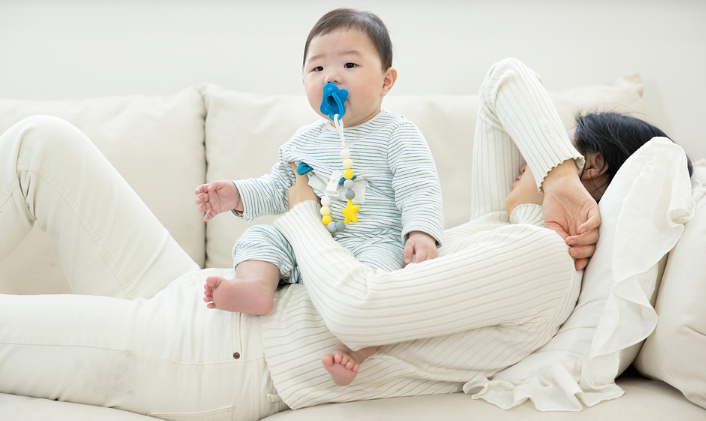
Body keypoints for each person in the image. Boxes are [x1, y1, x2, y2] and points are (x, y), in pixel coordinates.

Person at [2, 56, 684, 420]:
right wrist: (557, 176)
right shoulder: (512, 229)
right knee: (42, 143)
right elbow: (501, 82)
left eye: (565, 150)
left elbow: (359, 309)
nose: (532, 153)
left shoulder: (539, 262)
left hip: (222, 355)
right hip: (201, 299)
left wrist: (300, 206)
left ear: (598, 170)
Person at [195, 9, 444, 386]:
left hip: (371, 241)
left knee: (377, 283)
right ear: (304, 82)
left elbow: (419, 186)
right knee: (259, 238)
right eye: (317, 69)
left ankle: (353, 347)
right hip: (308, 242)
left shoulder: (398, 135)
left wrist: (421, 233)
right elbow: (280, 188)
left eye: (349, 63)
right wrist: (236, 194)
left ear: (386, 81)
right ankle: (256, 288)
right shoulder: (304, 142)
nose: (332, 76)